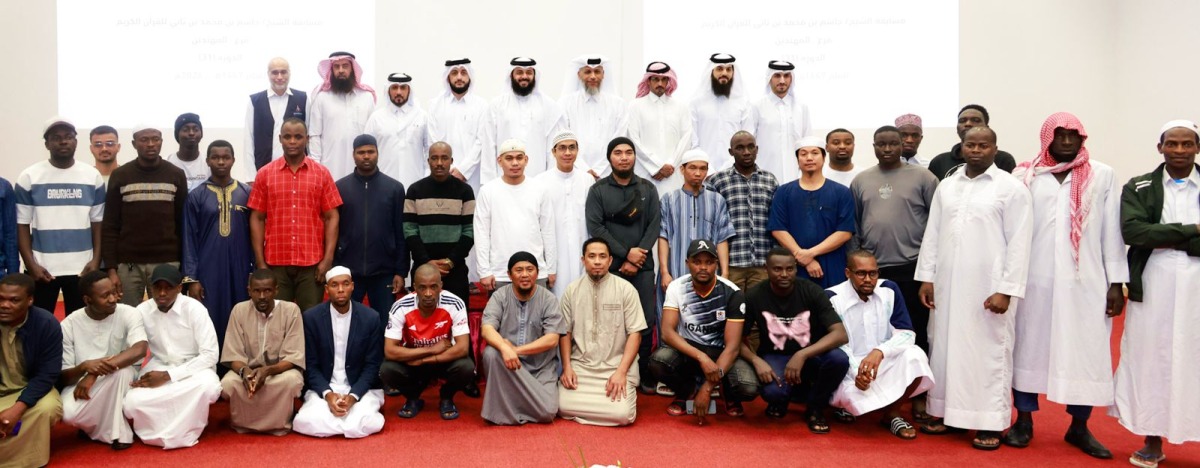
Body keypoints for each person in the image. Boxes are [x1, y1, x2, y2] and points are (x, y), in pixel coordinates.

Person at [1003, 113, 1126, 458]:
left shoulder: (1102, 175)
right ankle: (1024, 420)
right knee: (1027, 346)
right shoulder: (1025, 176)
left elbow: (1111, 232)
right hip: (1033, 280)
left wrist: (1116, 282)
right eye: (1061, 136)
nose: (1068, 142)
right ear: (1047, 139)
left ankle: (1079, 427)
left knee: (1083, 352)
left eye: (1075, 136)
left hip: (1083, 281)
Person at [915, 126, 1033, 450]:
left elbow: (1020, 244)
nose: (976, 150)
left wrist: (1006, 290)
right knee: (945, 348)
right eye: (971, 145)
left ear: (995, 149)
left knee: (987, 354)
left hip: (989, 288)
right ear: (962, 147)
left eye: (983, 145)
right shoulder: (948, 186)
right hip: (948, 284)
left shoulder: (1012, 189)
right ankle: (948, 415)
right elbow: (933, 235)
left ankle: (989, 423)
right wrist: (927, 278)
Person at [1112, 120, 1200, 467]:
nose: (1179, 151)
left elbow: (1151, 232)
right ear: (1159, 147)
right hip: (1155, 279)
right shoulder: (1140, 186)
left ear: (1197, 147)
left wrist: (1164, 235)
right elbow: (1134, 231)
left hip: (1197, 281)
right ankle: (1152, 439)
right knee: (1152, 358)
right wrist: (1192, 229)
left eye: (1187, 144)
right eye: (1172, 144)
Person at [850, 125, 939, 422]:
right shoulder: (862, 180)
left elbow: (938, 223)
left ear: (903, 145)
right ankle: (879, 392)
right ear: (873, 146)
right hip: (873, 272)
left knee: (914, 332)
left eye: (893, 144)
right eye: (881, 144)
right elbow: (856, 226)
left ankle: (917, 396)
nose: (887, 149)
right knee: (877, 333)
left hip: (912, 268)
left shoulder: (924, 178)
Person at [826, 250, 934, 440]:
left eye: (873, 273)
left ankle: (892, 413)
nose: (868, 279)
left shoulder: (889, 289)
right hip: (850, 371)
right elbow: (836, 344)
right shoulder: (833, 297)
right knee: (852, 395)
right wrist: (858, 372)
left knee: (916, 356)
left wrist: (880, 351)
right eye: (861, 273)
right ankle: (849, 407)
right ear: (847, 273)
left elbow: (907, 333)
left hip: (883, 362)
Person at [739, 248, 849, 432]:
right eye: (777, 269)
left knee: (839, 359)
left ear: (796, 268)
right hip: (775, 354)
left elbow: (840, 334)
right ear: (766, 268)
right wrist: (756, 360)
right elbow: (736, 339)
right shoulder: (754, 295)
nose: (784, 274)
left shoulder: (812, 291)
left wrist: (802, 354)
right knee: (773, 393)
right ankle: (783, 399)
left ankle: (815, 407)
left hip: (811, 353)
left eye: (789, 269)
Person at [649, 239, 757, 423]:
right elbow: (667, 332)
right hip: (690, 352)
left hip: (721, 354)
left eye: (709, 262)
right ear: (687, 263)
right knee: (658, 361)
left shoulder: (733, 292)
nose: (703, 267)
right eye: (697, 262)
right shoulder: (677, 287)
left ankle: (725, 390)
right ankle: (687, 390)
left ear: (716, 264)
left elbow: (732, 347)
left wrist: (707, 389)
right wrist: (702, 358)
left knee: (748, 387)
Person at [585, 137, 661, 393]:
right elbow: (595, 227)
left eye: (629, 152)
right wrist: (625, 254)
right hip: (611, 267)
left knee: (645, 321)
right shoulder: (598, 190)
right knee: (611, 321)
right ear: (610, 158)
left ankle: (645, 371)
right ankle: (613, 369)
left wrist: (637, 258)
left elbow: (654, 225)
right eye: (618, 153)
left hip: (643, 266)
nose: (624, 157)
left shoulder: (648, 189)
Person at [248, 118, 342, 312]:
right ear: (280, 139)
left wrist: (328, 259)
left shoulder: (322, 174)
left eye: (298, 137)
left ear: (306, 139)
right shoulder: (265, 174)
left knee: (311, 320)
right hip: (275, 263)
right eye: (288, 137)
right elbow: (257, 218)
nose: (293, 141)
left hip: (312, 264)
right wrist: (260, 262)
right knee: (277, 320)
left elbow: (332, 216)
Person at [124, 264, 222, 449]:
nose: (162, 293)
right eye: (157, 288)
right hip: (158, 366)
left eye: (168, 288)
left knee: (210, 387)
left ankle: (184, 430)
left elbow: (210, 355)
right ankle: (165, 431)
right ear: (150, 288)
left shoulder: (195, 309)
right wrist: (136, 376)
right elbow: (135, 349)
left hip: (194, 369)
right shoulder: (142, 311)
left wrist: (169, 376)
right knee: (132, 402)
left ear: (179, 288)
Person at [17, 117, 105, 314]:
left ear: (76, 141)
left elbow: (97, 223)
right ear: (47, 143)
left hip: (82, 269)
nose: (63, 141)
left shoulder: (92, 176)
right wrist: (32, 265)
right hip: (43, 270)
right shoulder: (29, 176)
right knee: (39, 328)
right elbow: (21, 224)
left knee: (82, 328)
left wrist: (96, 260)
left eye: (68, 137)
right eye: (56, 137)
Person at [558, 238, 647, 426]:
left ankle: (593, 409)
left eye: (602, 256)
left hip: (616, 366)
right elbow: (564, 332)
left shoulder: (626, 290)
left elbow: (635, 334)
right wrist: (567, 367)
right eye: (592, 256)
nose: (597, 261)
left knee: (623, 414)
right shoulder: (571, 291)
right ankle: (597, 410)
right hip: (582, 367)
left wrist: (621, 372)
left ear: (610, 261)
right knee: (559, 406)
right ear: (583, 260)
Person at [59, 270, 146, 450]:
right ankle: (98, 426)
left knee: (121, 372)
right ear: (87, 300)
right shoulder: (69, 324)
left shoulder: (129, 313)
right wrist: (84, 367)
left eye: (114, 292)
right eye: (105, 296)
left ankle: (119, 434)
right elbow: (64, 377)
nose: (113, 299)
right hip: (82, 384)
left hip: (122, 378)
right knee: (68, 414)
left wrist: (94, 372)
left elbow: (140, 349)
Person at [102, 124, 188, 306]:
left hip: (167, 262)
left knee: (166, 315)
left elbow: (182, 224)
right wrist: (111, 269)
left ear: (161, 142)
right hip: (128, 265)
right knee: (126, 315)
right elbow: (110, 225)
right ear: (134, 144)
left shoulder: (176, 175)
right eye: (144, 140)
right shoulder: (120, 175)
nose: (150, 144)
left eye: (155, 139)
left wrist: (183, 264)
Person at [294, 266, 385, 438]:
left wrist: (353, 396)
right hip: (325, 387)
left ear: (352, 286)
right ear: (327, 289)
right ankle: (343, 423)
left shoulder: (370, 317)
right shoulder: (311, 318)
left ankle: (339, 422)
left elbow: (372, 366)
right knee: (305, 420)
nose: (341, 290)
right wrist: (328, 395)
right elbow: (311, 365)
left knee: (370, 422)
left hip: (359, 387)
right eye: (335, 285)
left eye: (345, 284)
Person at [182, 140, 254, 352]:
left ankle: (239, 365)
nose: (221, 162)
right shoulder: (196, 196)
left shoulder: (246, 192)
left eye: (226, 157)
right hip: (208, 270)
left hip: (241, 269)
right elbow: (189, 238)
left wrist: (254, 271)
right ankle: (212, 367)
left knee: (241, 316)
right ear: (208, 161)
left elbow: (256, 235)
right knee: (211, 318)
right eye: (215, 157)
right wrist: (192, 278)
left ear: (233, 160)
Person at [480, 252, 565, 425]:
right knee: (490, 353)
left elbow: (552, 339)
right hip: (509, 366)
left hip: (539, 367)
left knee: (547, 412)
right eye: (519, 270)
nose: (525, 274)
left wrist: (515, 351)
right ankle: (517, 406)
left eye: (529, 269)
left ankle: (508, 406)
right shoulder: (500, 296)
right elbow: (487, 329)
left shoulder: (548, 298)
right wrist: (504, 349)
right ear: (509, 274)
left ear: (537, 273)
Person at [219, 269, 305, 435]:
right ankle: (243, 423)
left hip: (279, 372)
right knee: (227, 384)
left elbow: (293, 357)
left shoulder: (291, 310)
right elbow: (233, 354)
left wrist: (267, 371)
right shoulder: (239, 310)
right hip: (247, 371)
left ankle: (279, 423)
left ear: (276, 290)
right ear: (249, 291)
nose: (262, 296)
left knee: (292, 381)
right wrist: (245, 372)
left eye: (267, 290)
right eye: (257, 291)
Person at [382, 264, 473, 421]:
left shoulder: (454, 303)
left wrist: (426, 359)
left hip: (442, 359)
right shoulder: (400, 306)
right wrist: (431, 350)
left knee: (467, 367)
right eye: (422, 288)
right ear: (415, 287)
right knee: (387, 369)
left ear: (441, 286)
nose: (428, 293)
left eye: (433, 287)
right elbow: (390, 350)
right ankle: (413, 397)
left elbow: (462, 348)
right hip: (413, 358)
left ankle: (446, 397)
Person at [335, 134, 408, 317]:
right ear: (353, 155)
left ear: (377, 153)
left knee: (384, 323)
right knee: (348, 323)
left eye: (370, 152)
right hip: (349, 271)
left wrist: (400, 271)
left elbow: (401, 232)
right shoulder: (340, 188)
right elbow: (333, 231)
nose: (366, 156)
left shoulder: (394, 188)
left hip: (384, 271)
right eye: (361, 152)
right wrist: (335, 267)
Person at [769, 136, 855, 288]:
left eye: (814, 153)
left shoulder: (841, 192)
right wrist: (803, 257)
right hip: (794, 267)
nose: (809, 158)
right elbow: (778, 229)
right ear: (797, 160)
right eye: (803, 154)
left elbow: (845, 231)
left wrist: (810, 253)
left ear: (823, 157)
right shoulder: (784, 192)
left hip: (833, 265)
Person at [474, 139, 557, 292]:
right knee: (502, 316)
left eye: (519, 158)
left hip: (535, 272)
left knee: (537, 315)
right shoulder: (488, 191)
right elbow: (481, 233)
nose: (515, 163)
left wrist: (550, 269)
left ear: (526, 160)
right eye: (509, 158)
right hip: (500, 274)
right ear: (499, 161)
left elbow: (548, 231)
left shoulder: (539, 189)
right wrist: (484, 271)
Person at [0, 274, 62, 467]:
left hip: (28, 390)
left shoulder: (46, 323)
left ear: (30, 300)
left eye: (14, 300)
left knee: (48, 408)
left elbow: (47, 374)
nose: (4, 305)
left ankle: (23, 460)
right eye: (0, 299)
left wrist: (17, 409)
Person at [475, 57, 566, 185]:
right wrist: (490, 183)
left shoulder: (549, 106)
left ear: (535, 75)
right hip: (503, 182)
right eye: (519, 72)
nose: (524, 76)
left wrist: (550, 182)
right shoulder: (496, 105)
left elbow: (552, 148)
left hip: (538, 181)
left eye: (529, 72)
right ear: (511, 75)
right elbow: (489, 146)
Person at [706, 131, 778, 291]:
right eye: (740, 148)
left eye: (750, 147)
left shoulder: (770, 180)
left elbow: (776, 221)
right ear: (731, 152)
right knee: (732, 311)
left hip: (762, 264)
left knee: (759, 311)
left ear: (757, 149)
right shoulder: (718, 181)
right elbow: (710, 223)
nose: (746, 152)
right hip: (730, 265)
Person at [404, 141, 475, 302]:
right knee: (421, 323)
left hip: (455, 271)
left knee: (457, 322)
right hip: (422, 270)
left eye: (444, 158)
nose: (439, 163)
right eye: (434, 158)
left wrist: (450, 261)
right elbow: (409, 230)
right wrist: (427, 262)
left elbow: (470, 231)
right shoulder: (415, 190)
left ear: (451, 160)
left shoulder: (465, 191)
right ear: (428, 161)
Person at [658, 149, 734, 287]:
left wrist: (725, 274)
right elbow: (663, 237)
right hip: (675, 271)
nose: (698, 173)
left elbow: (722, 238)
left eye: (703, 168)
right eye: (693, 168)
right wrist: (664, 272)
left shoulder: (717, 200)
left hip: (709, 274)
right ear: (682, 169)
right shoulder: (669, 199)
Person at [534, 131, 594, 296]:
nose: (567, 153)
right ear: (553, 152)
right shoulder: (540, 182)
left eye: (571, 148)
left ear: (577, 150)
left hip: (581, 250)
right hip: (553, 255)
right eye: (562, 148)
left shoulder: (587, 180)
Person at [626, 61, 692, 195]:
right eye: (655, 79)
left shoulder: (680, 107)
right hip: (645, 172)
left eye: (664, 79)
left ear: (669, 81)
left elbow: (686, 139)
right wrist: (656, 167)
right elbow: (632, 140)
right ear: (648, 81)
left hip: (673, 174)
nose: (660, 83)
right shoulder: (635, 106)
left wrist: (671, 165)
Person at [308, 51, 376, 181]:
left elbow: (373, 134)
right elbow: (314, 135)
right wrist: (316, 166)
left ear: (352, 69)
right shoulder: (321, 98)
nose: (341, 70)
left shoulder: (366, 97)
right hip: (330, 167)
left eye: (345, 66)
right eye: (336, 66)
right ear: (331, 70)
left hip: (361, 168)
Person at [365, 73, 439, 189]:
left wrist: (427, 177)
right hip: (382, 186)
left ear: (409, 90)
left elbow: (430, 150)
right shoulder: (376, 118)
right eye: (394, 87)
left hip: (416, 184)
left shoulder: (422, 116)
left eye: (403, 87)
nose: (398, 92)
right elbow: (367, 152)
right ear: (388, 90)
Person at [559, 55, 627, 178]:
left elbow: (618, 140)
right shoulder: (565, 104)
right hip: (575, 172)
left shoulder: (618, 104)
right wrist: (585, 170)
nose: (593, 76)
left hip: (608, 173)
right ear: (579, 75)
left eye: (597, 72)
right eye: (588, 72)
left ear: (603, 74)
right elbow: (564, 139)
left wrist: (599, 170)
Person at [428, 58, 488, 191]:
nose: (459, 77)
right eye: (454, 73)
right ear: (448, 77)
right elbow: (432, 141)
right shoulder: (435, 105)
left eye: (463, 72)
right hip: (442, 174)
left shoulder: (482, 106)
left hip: (471, 177)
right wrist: (444, 167)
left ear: (470, 76)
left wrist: (463, 170)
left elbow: (481, 142)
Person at [747, 60, 812, 184]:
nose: (782, 81)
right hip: (764, 178)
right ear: (769, 78)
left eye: (786, 76)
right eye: (777, 76)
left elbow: (807, 143)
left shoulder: (801, 108)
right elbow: (749, 142)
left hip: (796, 176)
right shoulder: (756, 107)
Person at [243, 57, 307, 182]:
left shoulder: (303, 99)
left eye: (283, 72)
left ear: (289, 73)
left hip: (296, 171)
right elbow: (248, 139)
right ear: (268, 74)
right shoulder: (254, 101)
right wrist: (251, 177)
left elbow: (309, 137)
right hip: (263, 171)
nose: (279, 76)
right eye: (274, 72)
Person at [690, 54, 748, 174]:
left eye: (728, 69)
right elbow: (693, 141)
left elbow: (746, 139)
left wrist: (728, 167)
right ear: (711, 71)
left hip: (734, 171)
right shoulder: (696, 103)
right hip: (703, 172)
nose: (724, 73)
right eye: (719, 69)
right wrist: (708, 169)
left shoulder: (743, 104)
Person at [927, 104, 1018, 180]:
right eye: (962, 121)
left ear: (987, 127)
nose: (968, 124)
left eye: (976, 120)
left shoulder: (1003, 159)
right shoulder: (939, 161)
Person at [165, 113, 210, 191]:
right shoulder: (167, 162)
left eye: (196, 129)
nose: (191, 133)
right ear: (177, 135)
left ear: (201, 134)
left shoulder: (209, 163)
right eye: (185, 130)